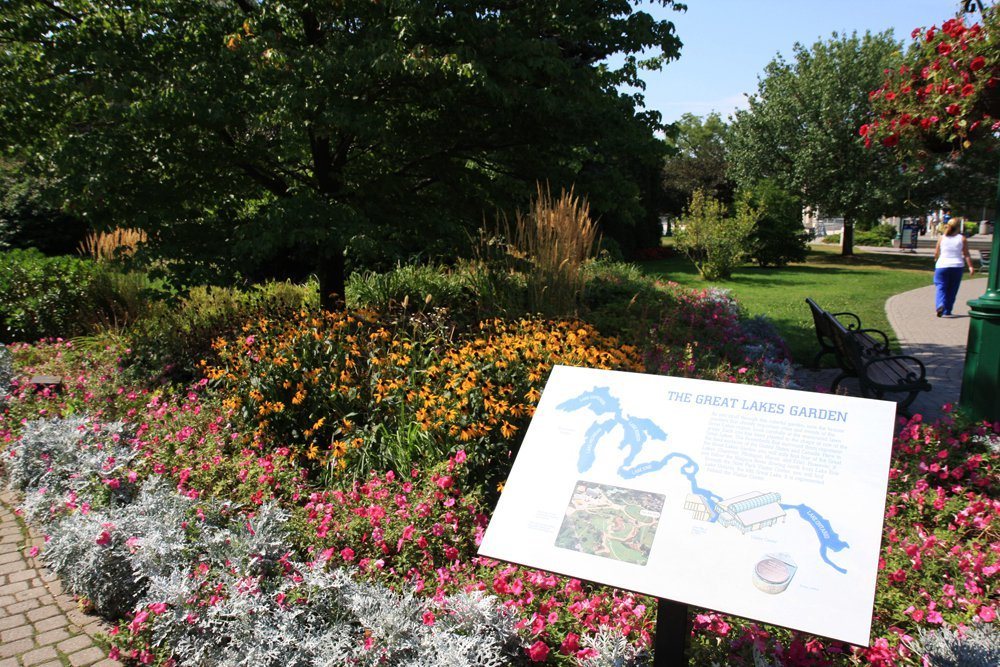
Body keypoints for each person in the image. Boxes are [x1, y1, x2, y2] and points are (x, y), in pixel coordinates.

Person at [933, 218, 975, 317]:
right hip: (957, 266)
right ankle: (947, 310)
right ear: (959, 226)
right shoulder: (962, 238)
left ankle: (940, 305)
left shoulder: (942, 237)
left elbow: (936, 252)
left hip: (942, 265)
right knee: (952, 289)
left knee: (941, 287)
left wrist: (936, 259)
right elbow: (966, 254)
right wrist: (970, 266)